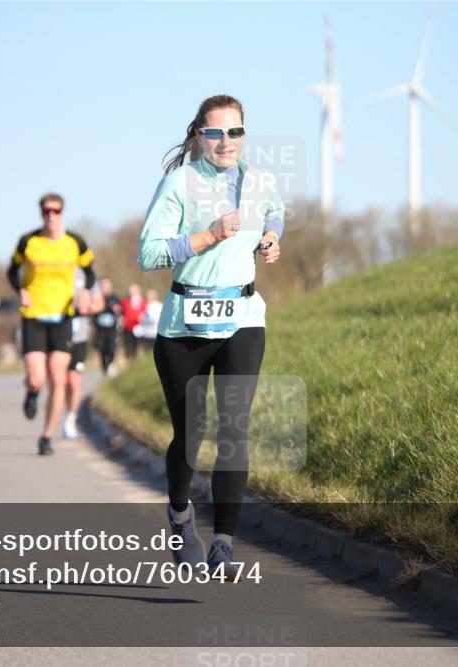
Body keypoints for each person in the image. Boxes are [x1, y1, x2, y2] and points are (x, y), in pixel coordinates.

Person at [137, 94, 283, 575]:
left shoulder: (260, 180)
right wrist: (209, 236)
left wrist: (271, 237)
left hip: (243, 318)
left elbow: (274, 210)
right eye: (215, 132)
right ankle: (180, 516)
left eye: (234, 131)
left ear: (244, 134)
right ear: (199, 135)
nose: (226, 141)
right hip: (185, 324)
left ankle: (224, 543)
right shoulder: (179, 183)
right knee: (190, 434)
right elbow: (149, 253)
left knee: (234, 429)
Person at [7, 193, 95, 456]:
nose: (51, 216)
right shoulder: (28, 241)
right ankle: (32, 392)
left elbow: (90, 271)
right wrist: (20, 290)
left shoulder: (75, 242)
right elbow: (12, 271)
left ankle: (46, 437)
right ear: (41, 213)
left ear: (62, 213)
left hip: (63, 317)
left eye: (55, 211)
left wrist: (85, 291)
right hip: (34, 315)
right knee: (37, 378)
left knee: (58, 380)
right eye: (46, 211)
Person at [64, 266, 103, 439]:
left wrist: (87, 307)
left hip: (79, 337)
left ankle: (70, 420)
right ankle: (65, 411)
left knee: (74, 381)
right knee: (61, 381)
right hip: (57, 335)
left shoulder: (85, 274)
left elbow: (99, 303)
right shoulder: (54, 266)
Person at [92, 277, 121, 376]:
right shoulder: (97, 297)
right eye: (103, 286)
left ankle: (110, 364)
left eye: (107, 285)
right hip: (100, 329)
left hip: (112, 329)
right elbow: (93, 313)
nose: (105, 288)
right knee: (101, 348)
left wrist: (118, 310)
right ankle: (104, 367)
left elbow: (120, 311)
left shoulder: (115, 298)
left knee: (112, 348)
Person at [120, 283, 146, 360]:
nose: (132, 292)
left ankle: (135, 361)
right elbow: (121, 312)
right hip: (127, 327)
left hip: (139, 328)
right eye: (131, 290)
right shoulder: (124, 301)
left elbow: (145, 313)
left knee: (136, 347)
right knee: (127, 346)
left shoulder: (142, 302)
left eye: (134, 290)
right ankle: (128, 361)